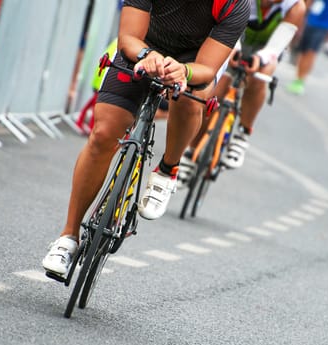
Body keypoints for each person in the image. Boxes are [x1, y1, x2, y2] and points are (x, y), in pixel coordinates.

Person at [42, 0, 251, 279]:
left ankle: (168, 169)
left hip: (191, 62)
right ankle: (68, 238)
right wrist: (146, 54)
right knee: (104, 135)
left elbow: (207, 69)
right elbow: (128, 37)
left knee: (192, 101)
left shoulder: (235, 5)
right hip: (140, 47)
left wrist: (184, 72)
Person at [178, 0, 306, 180]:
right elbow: (228, 24)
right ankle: (190, 154)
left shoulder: (295, 6)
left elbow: (274, 49)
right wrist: (233, 49)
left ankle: (243, 134)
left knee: (262, 74)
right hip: (231, 40)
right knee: (212, 97)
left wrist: (259, 60)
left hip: (264, 51)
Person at [287, 0, 328, 95]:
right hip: (310, 20)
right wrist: (302, 17)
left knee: (311, 52)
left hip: (324, 25)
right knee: (303, 51)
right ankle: (297, 77)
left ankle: (300, 80)